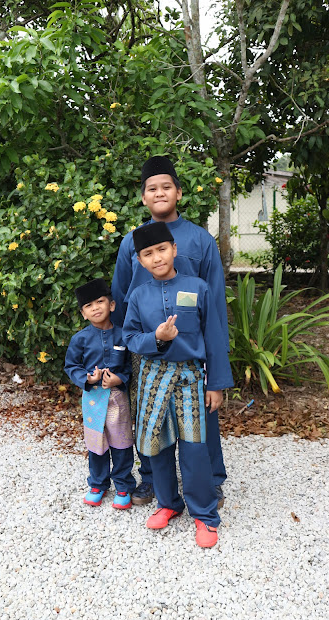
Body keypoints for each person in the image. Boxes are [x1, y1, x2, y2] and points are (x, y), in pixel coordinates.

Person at [112, 155, 233, 508]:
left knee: (203, 419)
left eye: (167, 186)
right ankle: (151, 479)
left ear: (179, 193)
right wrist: (123, 353)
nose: (160, 193)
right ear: (143, 197)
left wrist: (216, 375)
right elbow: (120, 298)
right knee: (149, 417)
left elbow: (215, 310)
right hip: (146, 351)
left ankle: (211, 480)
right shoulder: (131, 242)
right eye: (152, 188)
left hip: (193, 351)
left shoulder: (200, 240)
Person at [122, 222, 233, 547]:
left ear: (173, 249)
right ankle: (169, 503)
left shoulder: (198, 288)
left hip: (190, 379)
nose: (156, 258)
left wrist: (216, 384)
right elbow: (130, 337)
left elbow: (213, 337)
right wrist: (156, 338)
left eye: (161, 249)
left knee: (195, 448)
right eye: (148, 253)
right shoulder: (138, 295)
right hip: (153, 378)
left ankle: (204, 514)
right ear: (140, 260)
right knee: (156, 445)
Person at [64, 278, 136, 509]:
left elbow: (130, 367)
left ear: (111, 305)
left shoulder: (124, 335)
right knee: (96, 442)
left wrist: (120, 378)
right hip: (93, 399)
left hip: (118, 398)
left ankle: (123, 485)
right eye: (88, 306)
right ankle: (97, 484)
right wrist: (88, 378)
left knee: (122, 443)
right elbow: (71, 366)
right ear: (83, 314)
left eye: (100, 302)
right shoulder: (80, 339)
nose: (95, 308)